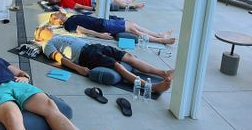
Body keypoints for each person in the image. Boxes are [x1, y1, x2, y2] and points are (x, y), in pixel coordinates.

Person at [35, 27, 174, 92]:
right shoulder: (47, 44)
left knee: (130, 57)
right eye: (42, 30)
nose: (45, 29)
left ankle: (163, 73)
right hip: (86, 55)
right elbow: (59, 58)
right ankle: (151, 87)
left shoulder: (58, 34)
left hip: (94, 46)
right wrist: (78, 68)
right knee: (117, 66)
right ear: (40, 37)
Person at [48, 12, 176, 45]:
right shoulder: (68, 24)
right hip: (103, 26)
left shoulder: (69, 17)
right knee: (133, 29)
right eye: (57, 15)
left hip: (103, 22)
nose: (59, 13)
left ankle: (159, 35)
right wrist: (100, 35)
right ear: (57, 20)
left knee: (133, 24)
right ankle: (160, 40)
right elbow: (81, 30)